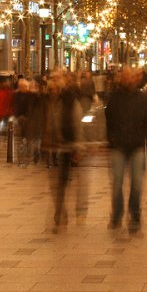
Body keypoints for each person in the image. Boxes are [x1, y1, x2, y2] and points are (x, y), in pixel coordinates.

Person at [104, 65, 147, 234]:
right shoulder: (114, 97)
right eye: (123, 76)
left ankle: (135, 216)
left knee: (137, 183)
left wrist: (142, 134)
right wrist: (112, 138)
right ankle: (117, 215)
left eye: (129, 76)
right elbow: (108, 119)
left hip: (137, 146)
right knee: (117, 183)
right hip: (118, 146)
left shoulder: (140, 97)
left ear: (134, 78)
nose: (126, 79)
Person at [42, 71, 87, 232]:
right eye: (51, 82)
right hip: (53, 146)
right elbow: (46, 120)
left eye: (56, 81)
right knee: (56, 185)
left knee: (62, 182)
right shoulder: (48, 100)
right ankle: (61, 214)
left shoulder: (69, 100)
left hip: (68, 145)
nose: (53, 86)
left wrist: (79, 146)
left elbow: (77, 122)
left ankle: (62, 215)